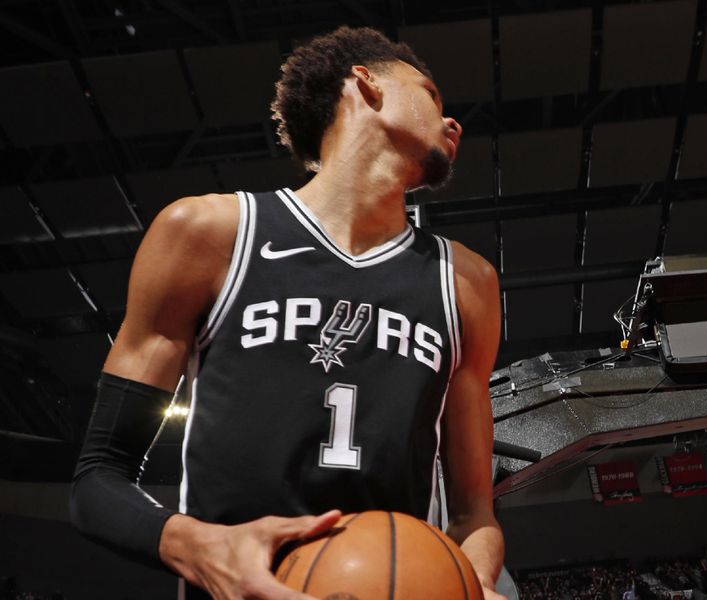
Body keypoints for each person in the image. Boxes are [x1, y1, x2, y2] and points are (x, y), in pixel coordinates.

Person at [70, 25, 505, 600]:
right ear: (366, 84)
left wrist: (468, 583)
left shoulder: (467, 282)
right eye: (431, 95)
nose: (452, 123)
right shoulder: (209, 233)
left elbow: (475, 514)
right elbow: (97, 477)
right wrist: (198, 548)